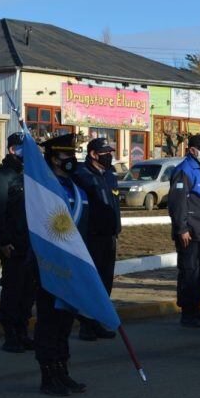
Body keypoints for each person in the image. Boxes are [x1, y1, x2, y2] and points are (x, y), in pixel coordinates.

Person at [35, 133, 90, 396]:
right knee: (50, 322)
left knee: (65, 322)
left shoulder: (75, 187)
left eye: (73, 154)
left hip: (74, 265)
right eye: (67, 155)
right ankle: (48, 375)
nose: (72, 159)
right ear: (54, 158)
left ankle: (62, 370)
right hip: (52, 266)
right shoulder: (44, 189)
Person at [0, 132, 35, 353]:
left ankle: (23, 331)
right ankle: (10, 334)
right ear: (13, 150)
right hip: (12, 245)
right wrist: (2, 241)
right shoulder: (1, 176)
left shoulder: (28, 175)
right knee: (13, 291)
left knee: (28, 292)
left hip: (30, 244)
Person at [72, 137, 121, 341]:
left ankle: (98, 321)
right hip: (90, 237)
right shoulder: (81, 175)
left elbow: (114, 202)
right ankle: (86, 325)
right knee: (91, 282)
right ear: (93, 154)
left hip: (109, 235)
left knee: (105, 281)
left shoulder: (110, 174)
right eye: (105, 152)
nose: (110, 156)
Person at [168, 134, 200, 327]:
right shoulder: (184, 171)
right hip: (190, 233)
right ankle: (187, 313)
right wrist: (182, 229)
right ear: (191, 150)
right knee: (190, 273)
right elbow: (177, 203)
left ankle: (196, 309)